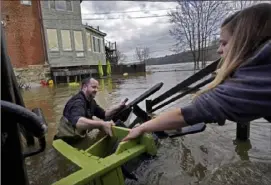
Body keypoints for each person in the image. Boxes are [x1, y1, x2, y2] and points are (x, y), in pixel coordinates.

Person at [122, 3, 271, 142]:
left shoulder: (254, 79)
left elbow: (187, 113)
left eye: (224, 43)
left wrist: (142, 127)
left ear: (245, 43)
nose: (219, 50)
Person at [54, 77, 128, 140]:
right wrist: (102, 124)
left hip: (78, 137)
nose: (96, 90)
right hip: (65, 139)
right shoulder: (77, 102)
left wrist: (119, 106)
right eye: (93, 87)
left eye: (97, 88)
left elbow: (104, 114)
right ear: (84, 87)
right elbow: (78, 122)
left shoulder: (91, 101)